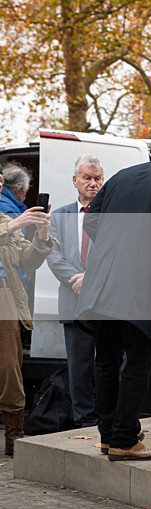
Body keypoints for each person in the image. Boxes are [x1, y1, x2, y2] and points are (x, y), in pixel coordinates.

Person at [76, 141, 151, 460]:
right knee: (140, 360)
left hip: (101, 286)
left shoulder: (120, 176)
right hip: (141, 288)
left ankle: (108, 435)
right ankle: (125, 439)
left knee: (106, 360)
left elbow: (90, 221)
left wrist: (115, 249)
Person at [46, 155, 105, 427]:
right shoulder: (58, 217)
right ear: (75, 181)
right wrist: (75, 279)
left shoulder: (111, 214)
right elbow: (53, 254)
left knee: (107, 366)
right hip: (72, 302)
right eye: (87, 178)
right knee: (79, 368)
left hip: (105, 303)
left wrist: (90, 280)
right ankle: (85, 422)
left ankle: (109, 419)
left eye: (98, 179)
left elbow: (114, 254)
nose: (93, 184)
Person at [0, 170, 54, 456]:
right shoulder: (10, 221)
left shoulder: (9, 219)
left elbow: (27, 261)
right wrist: (11, 226)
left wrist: (42, 238)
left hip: (4, 295)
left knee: (10, 365)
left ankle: (14, 433)